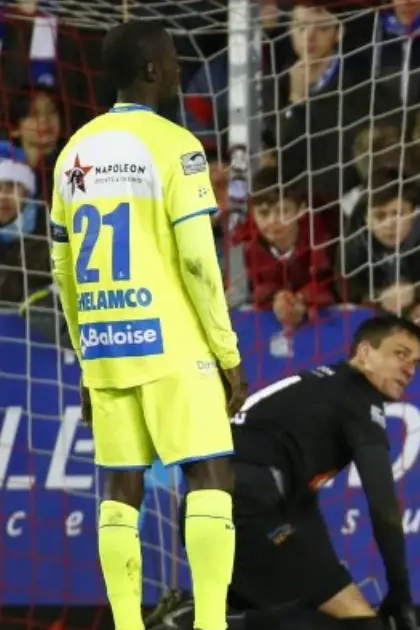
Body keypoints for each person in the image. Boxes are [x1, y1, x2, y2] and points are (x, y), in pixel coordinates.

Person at [47, 20, 247, 630]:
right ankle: (210, 623)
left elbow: (62, 270)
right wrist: (226, 351)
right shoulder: (176, 146)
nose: (180, 67)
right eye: (174, 57)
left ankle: (127, 624)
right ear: (153, 69)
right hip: (173, 344)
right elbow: (199, 260)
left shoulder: (73, 151)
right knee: (209, 472)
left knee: (120, 488)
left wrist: (88, 359)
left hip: (108, 344)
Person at [216, 314, 420, 630]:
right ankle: (192, 623)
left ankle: (205, 619)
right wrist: (400, 590)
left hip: (216, 511)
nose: (410, 369)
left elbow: (303, 513)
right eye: (400, 354)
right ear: (365, 352)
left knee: (311, 611)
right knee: (361, 625)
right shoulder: (357, 398)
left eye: (416, 363)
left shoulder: (323, 390)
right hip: (247, 508)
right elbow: (383, 507)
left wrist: (330, 571)